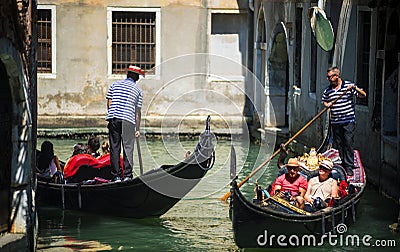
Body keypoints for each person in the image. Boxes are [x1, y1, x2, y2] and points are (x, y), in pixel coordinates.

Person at [322, 66, 366, 176]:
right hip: (336, 121)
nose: (328, 79)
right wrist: (328, 105)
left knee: (348, 142)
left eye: (330, 77)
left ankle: (349, 166)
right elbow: (324, 101)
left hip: (348, 120)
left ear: (337, 76)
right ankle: (343, 162)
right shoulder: (328, 90)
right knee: (339, 144)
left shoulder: (348, 86)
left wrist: (355, 88)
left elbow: (363, 95)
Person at [106, 65, 144, 182]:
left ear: (127, 75)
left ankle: (116, 176)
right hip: (128, 120)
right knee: (128, 148)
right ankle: (127, 176)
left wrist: (114, 117)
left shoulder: (114, 85)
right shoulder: (138, 91)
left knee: (115, 148)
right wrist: (137, 129)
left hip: (114, 118)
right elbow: (137, 113)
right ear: (137, 78)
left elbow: (109, 103)